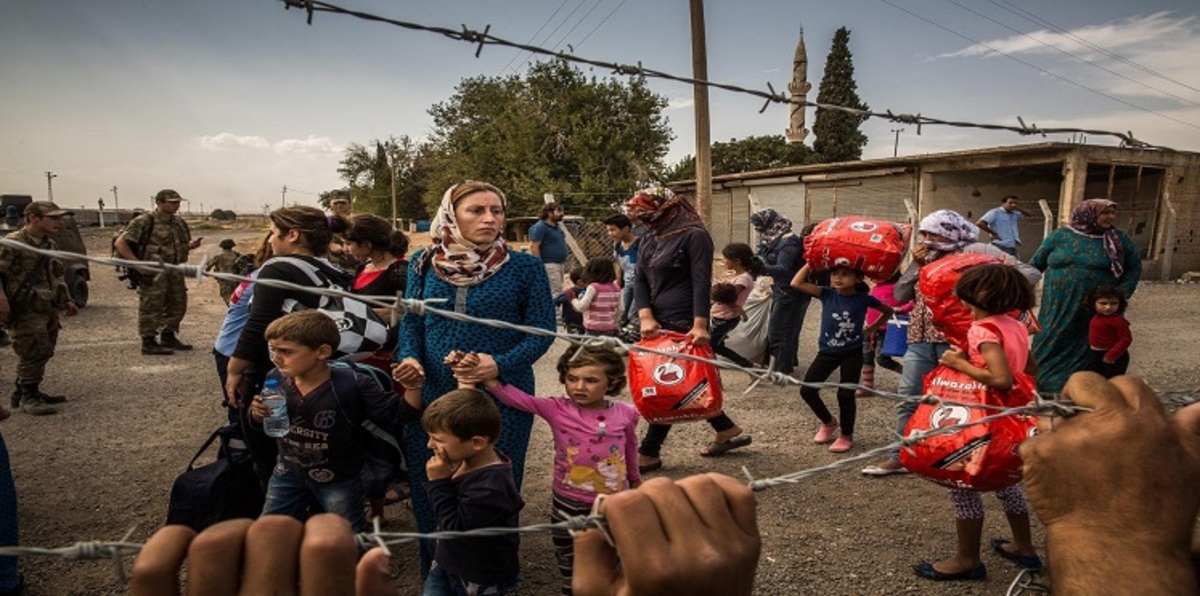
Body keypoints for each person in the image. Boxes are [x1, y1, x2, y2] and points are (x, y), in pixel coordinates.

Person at [130, 375, 1200, 595]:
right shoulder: (542, 417)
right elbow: (525, 401)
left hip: (610, 504)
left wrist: (1120, 541)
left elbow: (649, 426)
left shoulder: (623, 418)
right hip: (574, 514)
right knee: (563, 543)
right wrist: (462, 386)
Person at [395, 181, 555, 575]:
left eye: (496, 210)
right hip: (435, 392)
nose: (490, 219)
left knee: (494, 483)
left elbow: (541, 330)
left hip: (502, 396)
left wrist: (497, 365)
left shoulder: (524, 267)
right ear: (452, 214)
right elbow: (412, 323)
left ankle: (492, 574)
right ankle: (437, 571)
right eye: (476, 210)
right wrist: (411, 359)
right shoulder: (422, 263)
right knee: (431, 476)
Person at [861, 210, 1040, 477]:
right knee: (908, 398)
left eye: (933, 233)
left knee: (962, 402)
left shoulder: (977, 249)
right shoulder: (925, 257)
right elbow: (899, 295)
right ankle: (900, 457)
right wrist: (916, 265)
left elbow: (1029, 273)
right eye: (924, 233)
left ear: (950, 232)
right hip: (921, 338)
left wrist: (984, 283)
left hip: (963, 343)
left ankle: (961, 455)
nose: (927, 238)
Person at [456, 345, 640, 594]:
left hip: (613, 502)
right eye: (572, 378)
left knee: (613, 553)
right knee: (568, 554)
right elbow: (520, 400)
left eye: (591, 380)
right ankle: (571, 588)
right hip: (568, 501)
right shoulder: (557, 408)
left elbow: (630, 447)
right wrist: (490, 381)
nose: (579, 387)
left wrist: (634, 479)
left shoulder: (626, 413)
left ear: (612, 383)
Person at [914, 264, 1040, 581]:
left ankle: (966, 559)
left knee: (963, 485)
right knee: (1008, 483)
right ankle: (1024, 547)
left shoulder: (982, 330)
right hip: (1012, 417)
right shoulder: (1016, 325)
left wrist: (958, 363)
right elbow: (1029, 369)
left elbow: (1000, 378)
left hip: (983, 419)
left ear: (978, 296)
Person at [248, 311, 422, 533]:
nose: (275, 357)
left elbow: (400, 414)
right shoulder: (276, 376)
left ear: (322, 352)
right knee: (271, 530)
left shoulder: (353, 384)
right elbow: (266, 426)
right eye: (273, 350)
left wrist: (413, 386)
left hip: (339, 478)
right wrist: (256, 414)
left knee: (345, 535)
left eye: (286, 351)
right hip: (288, 471)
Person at [225, 206, 353, 484]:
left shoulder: (278, 267)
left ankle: (284, 510)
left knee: (270, 450)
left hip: (275, 374)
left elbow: (259, 324)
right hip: (319, 372)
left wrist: (234, 369)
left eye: (273, 233)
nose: (270, 240)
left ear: (293, 235)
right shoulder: (334, 270)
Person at [626, 186, 751, 470]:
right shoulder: (649, 238)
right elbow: (640, 280)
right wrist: (645, 316)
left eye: (648, 215)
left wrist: (700, 324)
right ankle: (725, 428)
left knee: (667, 383)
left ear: (667, 210)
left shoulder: (695, 236)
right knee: (676, 379)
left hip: (683, 318)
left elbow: (700, 282)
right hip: (655, 318)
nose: (645, 221)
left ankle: (649, 451)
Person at [1031, 199, 1142, 393]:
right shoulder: (1061, 236)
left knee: (1091, 347)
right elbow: (1036, 264)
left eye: (1112, 213)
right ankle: (1042, 387)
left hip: (1094, 309)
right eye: (1105, 213)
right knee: (1050, 340)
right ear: (1088, 214)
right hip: (1057, 306)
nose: (1111, 217)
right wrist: (1016, 289)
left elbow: (1134, 268)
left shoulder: (1118, 240)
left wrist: (1117, 298)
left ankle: (1083, 391)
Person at [420, 388, 523, 596]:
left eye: (438, 439)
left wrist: (438, 482)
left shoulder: (490, 487)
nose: (429, 445)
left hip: (480, 577)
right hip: (447, 563)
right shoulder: (465, 459)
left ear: (477, 442)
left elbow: (457, 529)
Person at [344, 213, 412, 520]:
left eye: (350, 242)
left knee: (390, 426)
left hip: (387, 359)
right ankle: (374, 505)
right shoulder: (362, 268)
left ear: (367, 243)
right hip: (360, 357)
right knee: (363, 431)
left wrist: (366, 315)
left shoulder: (400, 271)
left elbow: (406, 314)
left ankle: (403, 482)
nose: (346, 248)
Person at [791, 264, 892, 453]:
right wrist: (811, 264)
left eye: (845, 275)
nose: (838, 278)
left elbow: (888, 311)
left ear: (859, 279)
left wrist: (872, 328)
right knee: (807, 390)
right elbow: (796, 283)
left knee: (845, 394)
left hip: (852, 353)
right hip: (827, 352)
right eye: (835, 274)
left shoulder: (863, 299)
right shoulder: (827, 294)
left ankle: (846, 436)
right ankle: (828, 422)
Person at [0, 201, 79, 416]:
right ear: (33, 218)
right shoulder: (13, 243)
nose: (60, 222)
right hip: (25, 306)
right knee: (33, 349)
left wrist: (67, 299)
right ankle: (28, 396)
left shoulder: (47, 244)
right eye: (53, 218)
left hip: (46, 305)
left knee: (45, 348)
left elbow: (56, 274)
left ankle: (25, 389)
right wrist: (1, 299)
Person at [114, 189, 202, 355]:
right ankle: (148, 341)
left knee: (177, 303)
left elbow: (178, 245)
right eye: (172, 202)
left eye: (178, 202)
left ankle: (168, 336)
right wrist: (137, 264)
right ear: (160, 202)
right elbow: (121, 243)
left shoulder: (178, 222)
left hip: (175, 270)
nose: (177, 205)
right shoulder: (145, 221)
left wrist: (191, 245)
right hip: (153, 272)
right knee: (151, 305)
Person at [213, 233, 272, 425]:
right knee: (244, 415)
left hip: (229, 347)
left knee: (241, 413)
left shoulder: (259, 274)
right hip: (237, 351)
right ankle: (238, 452)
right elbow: (258, 322)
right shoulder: (267, 280)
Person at [749, 208, 809, 375]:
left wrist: (761, 269)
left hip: (790, 291)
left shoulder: (789, 242)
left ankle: (780, 369)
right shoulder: (773, 239)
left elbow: (784, 268)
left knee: (779, 329)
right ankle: (783, 364)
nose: (758, 230)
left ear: (769, 223)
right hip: (782, 288)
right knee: (787, 327)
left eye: (759, 226)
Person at [857, 270, 911, 397]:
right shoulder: (875, 288)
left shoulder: (898, 287)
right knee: (866, 357)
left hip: (888, 328)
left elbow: (912, 302)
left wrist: (902, 309)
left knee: (882, 359)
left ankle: (908, 375)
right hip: (870, 328)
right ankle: (867, 386)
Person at [710, 243, 763, 369]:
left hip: (725, 317)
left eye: (725, 258)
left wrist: (715, 288)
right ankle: (748, 366)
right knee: (716, 346)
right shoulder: (739, 277)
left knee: (712, 345)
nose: (723, 261)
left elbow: (728, 298)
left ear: (737, 261)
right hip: (721, 315)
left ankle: (748, 366)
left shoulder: (743, 280)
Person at [1085, 285, 1132, 378]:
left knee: (1112, 382)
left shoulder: (1117, 320)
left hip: (1113, 356)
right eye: (1103, 303)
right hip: (1096, 354)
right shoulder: (1097, 317)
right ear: (1093, 303)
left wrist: (1112, 355)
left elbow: (1126, 339)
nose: (1108, 307)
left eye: (1113, 303)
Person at [570, 257, 622, 337]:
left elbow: (582, 307)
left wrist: (573, 299)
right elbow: (621, 309)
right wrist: (614, 322)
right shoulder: (616, 287)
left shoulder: (593, 287)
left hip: (593, 328)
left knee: (588, 348)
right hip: (610, 328)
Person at [603, 214, 640, 327]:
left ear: (626, 229)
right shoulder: (618, 245)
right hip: (628, 283)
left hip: (641, 284)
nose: (610, 234)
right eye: (608, 230)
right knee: (623, 312)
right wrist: (618, 282)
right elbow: (618, 263)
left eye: (613, 230)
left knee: (633, 313)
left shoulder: (640, 244)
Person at [529, 202, 568, 295]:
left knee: (557, 289)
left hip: (559, 264)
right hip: (549, 264)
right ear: (549, 213)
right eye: (558, 211)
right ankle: (555, 309)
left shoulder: (557, 227)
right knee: (555, 292)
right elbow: (534, 246)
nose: (562, 213)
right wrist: (539, 265)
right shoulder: (540, 227)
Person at [204, 238, 242, 305]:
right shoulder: (237, 255)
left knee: (228, 299)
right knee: (237, 298)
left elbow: (209, 265)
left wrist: (206, 272)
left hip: (224, 281)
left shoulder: (218, 256)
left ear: (221, 246)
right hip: (236, 280)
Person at [553, 267, 586, 335]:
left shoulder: (589, 291)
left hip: (586, 323)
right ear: (580, 282)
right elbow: (555, 302)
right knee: (575, 340)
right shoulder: (568, 293)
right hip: (572, 323)